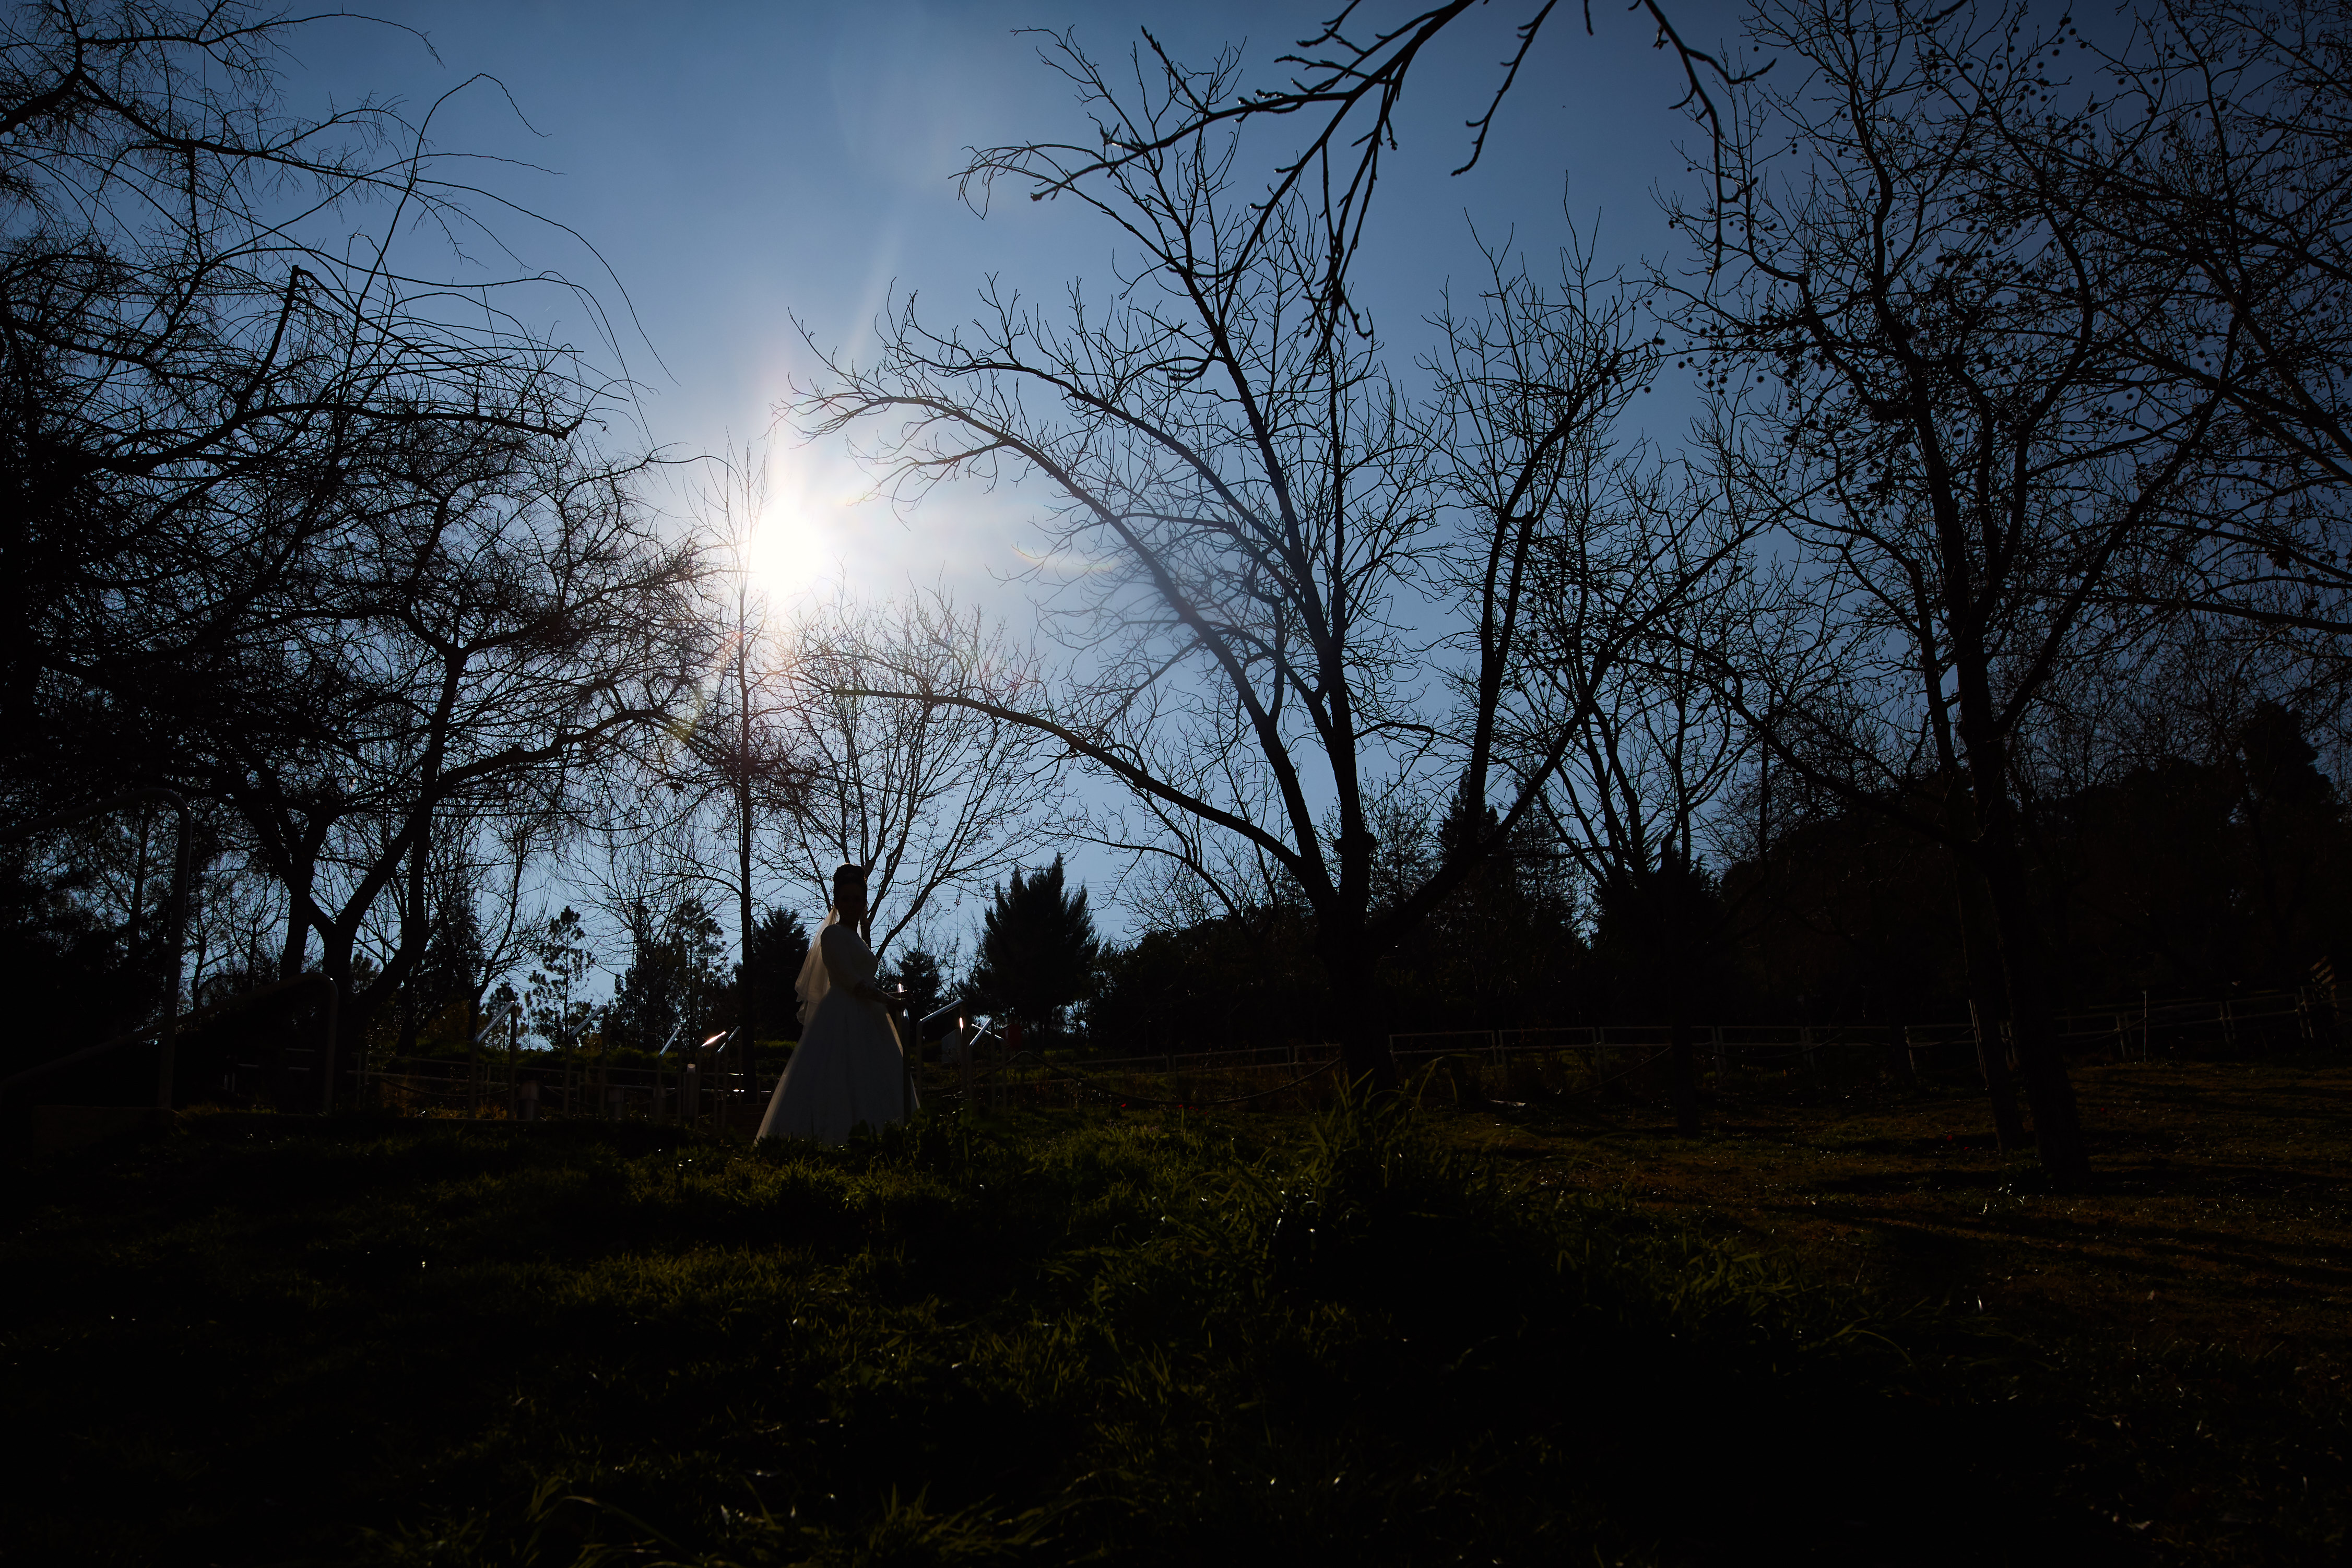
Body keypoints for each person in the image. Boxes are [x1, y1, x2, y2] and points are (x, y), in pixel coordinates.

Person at [756, 864, 915, 1143]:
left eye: (857, 899)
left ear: (864, 903)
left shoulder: (857, 939)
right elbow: (847, 979)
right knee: (837, 1078)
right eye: (846, 899)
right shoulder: (832, 936)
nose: (852, 905)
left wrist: (886, 999)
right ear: (837, 902)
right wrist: (887, 999)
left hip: (869, 1016)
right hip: (841, 1014)